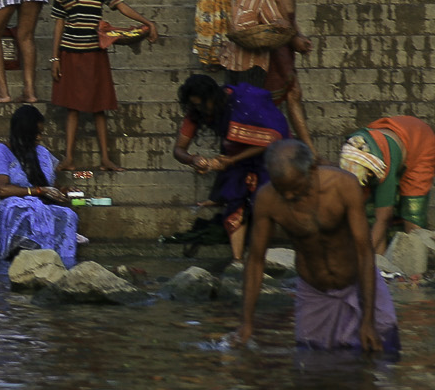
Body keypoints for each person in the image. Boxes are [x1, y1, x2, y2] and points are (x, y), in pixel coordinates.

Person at [236, 142, 397, 354]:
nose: (289, 197)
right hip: (315, 292)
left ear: (312, 170)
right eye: (282, 191)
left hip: (359, 281)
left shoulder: (343, 185)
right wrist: (247, 322)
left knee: (382, 357)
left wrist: (368, 319)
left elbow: (364, 252)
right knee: (313, 365)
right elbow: (256, 261)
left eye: (296, 189)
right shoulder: (267, 200)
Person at [48, 0, 157, 171]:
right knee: (71, 106)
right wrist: (55, 58)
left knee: (99, 105)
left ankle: (105, 158)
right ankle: (69, 158)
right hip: (69, 52)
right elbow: (59, 25)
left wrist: (146, 22)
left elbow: (121, 6)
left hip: (94, 53)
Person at [173, 73, 289, 260]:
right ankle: (237, 261)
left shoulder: (242, 101)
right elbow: (178, 149)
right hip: (237, 158)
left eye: (201, 104)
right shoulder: (196, 111)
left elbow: (272, 138)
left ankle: (258, 258)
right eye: (194, 105)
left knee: (264, 204)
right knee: (234, 203)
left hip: (271, 155)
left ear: (212, 98)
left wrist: (233, 160)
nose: (199, 109)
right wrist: (192, 159)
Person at [0, 106, 77, 264]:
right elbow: (1, 190)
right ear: (23, 132)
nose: (39, 138)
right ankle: (13, 259)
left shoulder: (42, 153)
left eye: (41, 133)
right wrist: (38, 191)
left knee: (68, 214)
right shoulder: (0, 152)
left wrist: (63, 191)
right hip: (3, 214)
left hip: (38, 211)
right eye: (35, 133)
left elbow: (52, 186)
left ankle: (61, 264)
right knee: (15, 206)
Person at [252, 0, 314, 145]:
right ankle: (308, 152)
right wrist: (292, 36)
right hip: (277, 31)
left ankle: (304, 150)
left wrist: (296, 31)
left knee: (292, 92)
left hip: (282, 28)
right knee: (291, 91)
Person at [339, 115, 435, 243]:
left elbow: (383, 218)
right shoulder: (350, 152)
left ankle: (415, 249)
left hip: (419, 143)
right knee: (369, 213)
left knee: (412, 215)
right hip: (392, 133)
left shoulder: (383, 168)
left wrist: (367, 253)